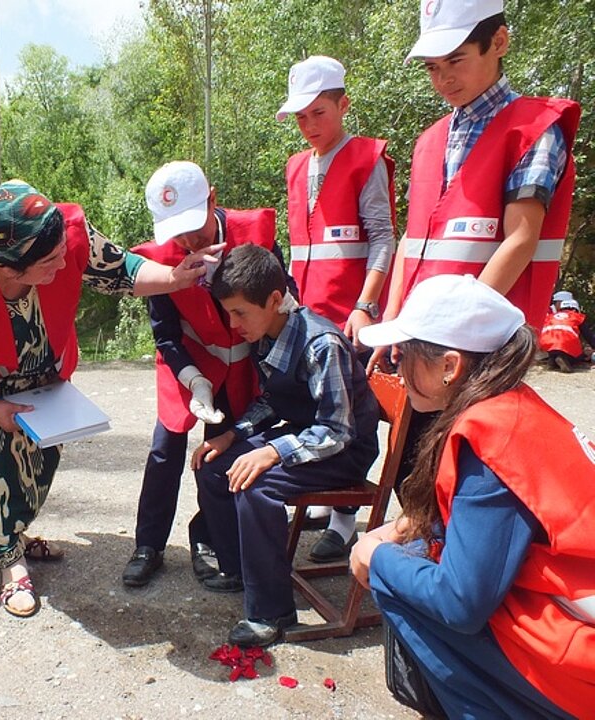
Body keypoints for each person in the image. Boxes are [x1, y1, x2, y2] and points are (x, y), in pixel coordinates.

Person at [0, 178, 218, 617]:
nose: (64, 263)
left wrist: (175, 277)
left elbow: (121, 271)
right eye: (50, 262)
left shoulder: (64, 231)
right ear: (9, 269)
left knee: (39, 463)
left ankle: (16, 529)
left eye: (63, 252)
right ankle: (9, 562)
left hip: (43, 369)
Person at [352, 273, 595, 719]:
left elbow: (460, 604)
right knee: (409, 549)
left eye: (404, 355)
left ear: (449, 366)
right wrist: (405, 527)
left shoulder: (490, 439)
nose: (397, 369)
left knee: (388, 571)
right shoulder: (514, 405)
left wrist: (374, 554)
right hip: (578, 625)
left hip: (578, 664)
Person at [192, 244, 379, 647]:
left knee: (256, 487)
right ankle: (244, 570)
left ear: (276, 299)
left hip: (343, 451)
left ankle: (270, 612)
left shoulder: (320, 344)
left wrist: (274, 451)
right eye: (229, 313)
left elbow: (337, 430)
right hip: (305, 433)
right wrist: (234, 434)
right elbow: (272, 401)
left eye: (240, 312)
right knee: (214, 466)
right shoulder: (269, 331)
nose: (233, 323)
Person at [122, 160, 294, 589]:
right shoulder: (160, 260)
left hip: (245, 360)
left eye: (194, 227)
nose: (187, 240)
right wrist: (194, 380)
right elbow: (165, 335)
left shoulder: (256, 237)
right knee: (166, 448)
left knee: (223, 453)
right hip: (190, 361)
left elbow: (283, 305)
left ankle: (210, 538)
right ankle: (148, 545)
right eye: (175, 231)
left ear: (213, 199)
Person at [378, 0, 580, 346]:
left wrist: (451, 330)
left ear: (499, 42)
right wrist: (393, 321)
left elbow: (520, 239)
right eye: (431, 67)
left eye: (456, 60)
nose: (443, 79)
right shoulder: (429, 141)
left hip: (483, 342)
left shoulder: (532, 130)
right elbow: (411, 240)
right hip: (419, 335)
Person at [277, 55, 397, 560]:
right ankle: (327, 503)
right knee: (316, 409)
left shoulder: (368, 158)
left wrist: (366, 305)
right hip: (307, 316)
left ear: (343, 104)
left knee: (353, 415)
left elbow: (383, 239)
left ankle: (346, 520)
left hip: (350, 316)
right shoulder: (296, 166)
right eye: (301, 117)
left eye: (319, 113)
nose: (310, 126)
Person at [539, 297, 594, 372]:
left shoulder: (551, 316)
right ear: (575, 309)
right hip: (565, 342)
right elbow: (588, 336)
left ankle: (552, 359)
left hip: (546, 342)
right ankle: (565, 360)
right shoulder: (577, 316)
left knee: (556, 348)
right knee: (580, 357)